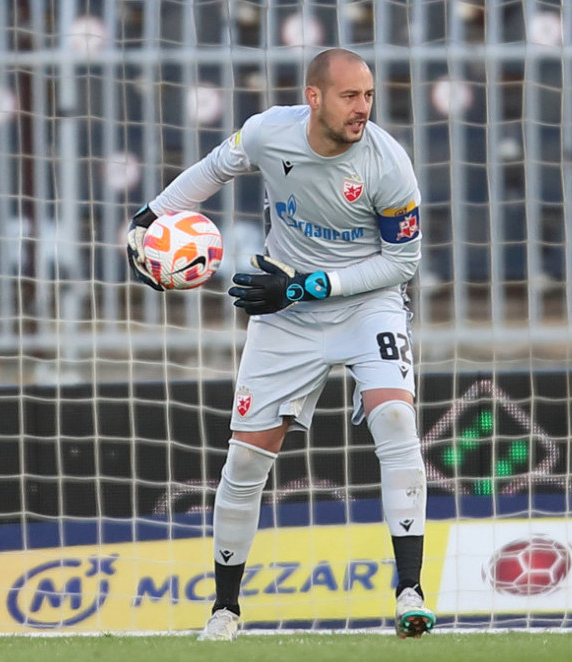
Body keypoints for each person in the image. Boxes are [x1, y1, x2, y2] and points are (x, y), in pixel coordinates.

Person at [126, 48, 434, 641]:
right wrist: (150, 219)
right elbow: (214, 168)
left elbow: (403, 261)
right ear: (314, 97)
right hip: (286, 314)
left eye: (368, 96)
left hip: (364, 304)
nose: (363, 109)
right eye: (350, 96)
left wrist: (314, 283)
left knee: (395, 417)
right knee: (244, 459)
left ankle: (410, 591)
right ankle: (225, 610)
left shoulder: (388, 164)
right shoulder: (269, 133)